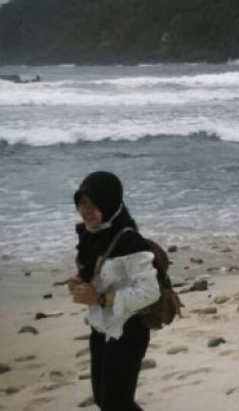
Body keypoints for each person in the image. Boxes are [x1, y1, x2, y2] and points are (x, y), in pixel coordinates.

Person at [68, 171, 160, 411]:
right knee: (104, 400)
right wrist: (79, 281)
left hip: (128, 331)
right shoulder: (91, 236)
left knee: (115, 404)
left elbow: (150, 292)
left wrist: (98, 298)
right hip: (100, 327)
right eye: (82, 202)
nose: (86, 209)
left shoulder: (130, 242)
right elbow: (98, 272)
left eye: (93, 202)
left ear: (109, 203)